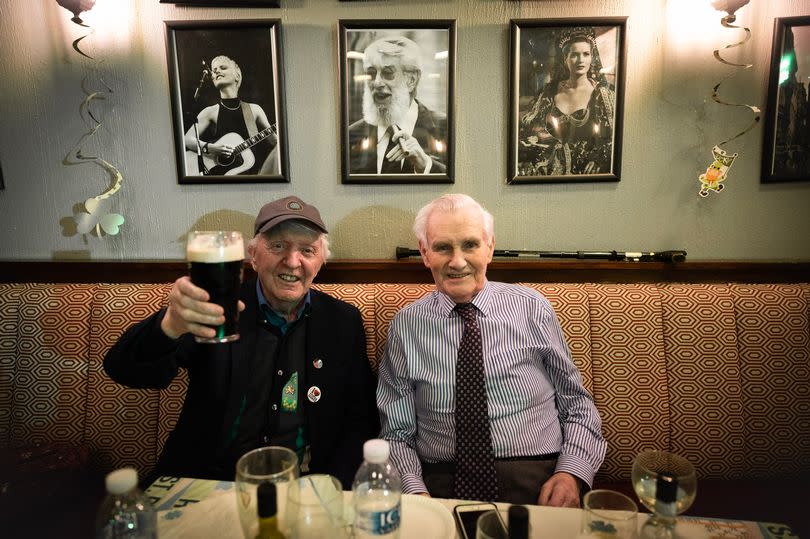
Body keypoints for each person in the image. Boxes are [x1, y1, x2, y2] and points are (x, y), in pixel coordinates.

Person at [104, 196, 379, 489]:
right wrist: (170, 325)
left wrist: (334, 485)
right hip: (206, 478)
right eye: (277, 246)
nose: (292, 261)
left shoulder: (342, 321)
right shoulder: (216, 308)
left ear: (321, 261)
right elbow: (125, 370)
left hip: (304, 483)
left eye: (307, 250)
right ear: (253, 255)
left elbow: (359, 418)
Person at [376, 193, 605, 506]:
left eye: (470, 244)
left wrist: (571, 473)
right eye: (443, 247)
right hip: (438, 484)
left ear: (489, 247)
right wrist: (415, 492)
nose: (457, 261)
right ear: (425, 253)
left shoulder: (532, 309)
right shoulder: (406, 326)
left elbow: (576, 403)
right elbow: (396, 432)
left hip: (538, 477)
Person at [518, 27, 616, 176]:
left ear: (591, 57)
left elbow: (610, 137)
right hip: (547, 173)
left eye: (586, 54)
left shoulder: (602, 94)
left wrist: (598, 159)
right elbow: (530, 129)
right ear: (565, 59)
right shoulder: (549, 92)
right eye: (575, 55)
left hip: (584, 174)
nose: (581, 60)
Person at [348, 36, 447, 175]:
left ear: (411, 81)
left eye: (387, 73)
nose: (376, 83)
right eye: (371, 73)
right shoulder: (351, 135)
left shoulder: (444, 127)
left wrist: (426, 165)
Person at [184, 55, 279, 176]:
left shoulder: (254, 110)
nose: (217, 71)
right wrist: (212, 148)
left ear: (237, 75)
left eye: (223, 67)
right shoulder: (210, 111)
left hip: (251, 176)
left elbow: (275, 143)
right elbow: (188, 139)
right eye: (214, 70)